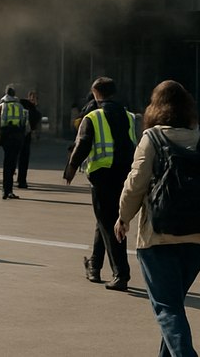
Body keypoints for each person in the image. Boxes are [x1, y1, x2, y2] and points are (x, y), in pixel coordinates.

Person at [115, 80, 200, 357]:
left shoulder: (152, 138)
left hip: (159, 236)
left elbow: (136, 183)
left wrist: (124, 217)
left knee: (167, 308)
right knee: (173, 305)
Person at [64, 76, 136, 291]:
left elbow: (82, 144)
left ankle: (121, 274)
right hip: (125, 174)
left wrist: (71, 168)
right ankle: (94, 265)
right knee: (105, 220)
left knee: (109, 222)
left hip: (102, 175)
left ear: (95, 93)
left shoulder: (93, 116)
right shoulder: (129, 116)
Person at [0, 85, 27, 200]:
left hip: (6, 137)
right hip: (17, 137)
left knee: (6, 163)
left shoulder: (0, 106)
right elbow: (24, 123)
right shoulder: (20, 106)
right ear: (14, 94)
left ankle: (5, 190)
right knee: (13, 163)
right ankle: (10, 191)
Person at [17, 90, 43, 189]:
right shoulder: (30, 109)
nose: (33, 100)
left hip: (21, 135)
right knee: (23, 159)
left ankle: (20, 180)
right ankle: (21, 180)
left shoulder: (22, 105)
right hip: (24, 136)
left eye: (35, 98)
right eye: (32, 98)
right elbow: (34, 124)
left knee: (20, 159)